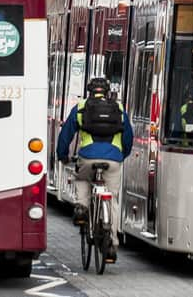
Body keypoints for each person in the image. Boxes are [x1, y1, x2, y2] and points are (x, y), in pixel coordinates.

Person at [56, 77, 133, 262]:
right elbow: (128, 136)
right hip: (113, 159)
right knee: (112, 198)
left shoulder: (81, 107)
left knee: (81, 177)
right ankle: (112, 246)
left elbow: (66, 133)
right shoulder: (119, 108)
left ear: (89, 91)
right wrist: (122, 155)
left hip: (88, 156)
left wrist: (62, 155)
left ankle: (82, 207)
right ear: (107, 92)